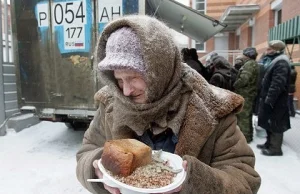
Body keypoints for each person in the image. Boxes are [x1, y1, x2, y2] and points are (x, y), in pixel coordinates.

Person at [76, 15, 261, 194]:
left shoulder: (213, 107)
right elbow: (86, 153)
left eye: (133, 78)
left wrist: (193, 183)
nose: (126, 91)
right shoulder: (110, 103)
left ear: (161, 69)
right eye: (120, 80)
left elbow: (244, 179)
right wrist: (99, 168)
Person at [257, 40, 291, 156]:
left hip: (276, 101)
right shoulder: (274, 60)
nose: (267, 50)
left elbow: (277, 84)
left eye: (270, 48)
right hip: (270, 99)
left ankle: (275, 148)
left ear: (277, 50)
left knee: (276, 124)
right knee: (268, 122)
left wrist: (270, 100)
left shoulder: (281, 63)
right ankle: (268, 143)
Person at [233, 47, 259, 143]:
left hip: (246, 94)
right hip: (249, 93)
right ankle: (248, 136)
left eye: (244, 54)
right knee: (247, 116)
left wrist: (235, 85)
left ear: (247, 55)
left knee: (243, 117)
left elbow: (244, 79)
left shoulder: (249, 65)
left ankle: (244, 138)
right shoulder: (253, 64)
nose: (242, 55)